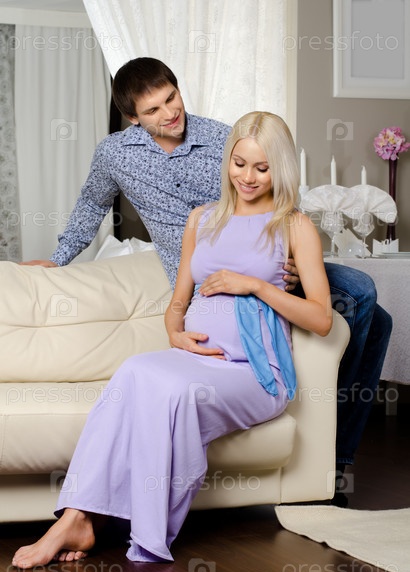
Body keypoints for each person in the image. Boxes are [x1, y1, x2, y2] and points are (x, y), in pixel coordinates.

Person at [22, 57, 392, 504]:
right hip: (204, 275)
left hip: (261, 264)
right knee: (372, 310)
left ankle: (335, 458)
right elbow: (91, 205)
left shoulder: (222, 138)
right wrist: (58, 258)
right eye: (153, 110)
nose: (170, 113)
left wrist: (290, 257)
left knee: (368, 306)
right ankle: (335, 459)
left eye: (172, 98)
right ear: (133, 119)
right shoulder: (115, 155)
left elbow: (269, 186)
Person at [13, 111, 332, 568]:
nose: (248, 177)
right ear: (228, 160)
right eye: (239, 163)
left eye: (262, 168)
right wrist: (175, 335)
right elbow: (178, 301)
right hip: (196, 359)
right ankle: (77, 517)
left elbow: (321, 319)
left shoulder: (293, 225)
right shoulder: (202, 219)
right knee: (133, 372)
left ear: (280, 169)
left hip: (255, 372)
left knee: (174, 392)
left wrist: (255, 286)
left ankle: (137, 529)